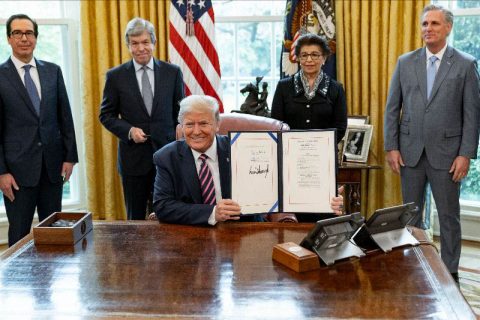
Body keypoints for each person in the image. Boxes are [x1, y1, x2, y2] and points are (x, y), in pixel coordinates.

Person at [384, 4, 480, 283]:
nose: (428, 29)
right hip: (409, 153)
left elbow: (472, 115)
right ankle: (415, 264)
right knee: (411, 216)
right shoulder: (405, 62)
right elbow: (392, 108)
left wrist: (465, 154)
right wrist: (392, 146)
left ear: (448, 28)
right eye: (425, 24)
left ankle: (450, 271)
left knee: (449, 217)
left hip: (448, 156)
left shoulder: (465, 64)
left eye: (435, 24)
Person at [152, 95, 345, 225]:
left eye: (203, 123)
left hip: (245, 230)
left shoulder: (243, 148)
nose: (196, 131)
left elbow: (280, 187)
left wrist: (322, 198)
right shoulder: (166, 157)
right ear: (181, 127)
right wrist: (212, 212)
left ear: (217, 125)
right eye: (189, 125)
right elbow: (163, 206)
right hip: (193, 236)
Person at [0, 14, 78, 246]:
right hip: (17, 173)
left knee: (53, 232)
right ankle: (15, 282)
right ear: (9, 39)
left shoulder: (52, 71)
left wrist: (70, 157)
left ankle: (50, 279)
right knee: (20, 234)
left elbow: (65, 117)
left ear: (36, 37)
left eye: (29, 33)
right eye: (18, 33)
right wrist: (1, 172)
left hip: (52, 168)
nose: (24, 38)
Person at [99, 17, 184, 220]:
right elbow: (106, 115)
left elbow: (180, 113)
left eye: (145, 42)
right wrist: (129, 131)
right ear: (128, 45)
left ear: (154, 43)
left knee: (168, 216)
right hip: (133, 160)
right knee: (135, 219)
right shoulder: (115, 76)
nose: (141, 48)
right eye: (135, 43)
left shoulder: (172, 73)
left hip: (167, 157)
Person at [271, 33, 347, 144]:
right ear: (298, 58)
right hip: (290, 152)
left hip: (324, 152)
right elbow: (276, 124)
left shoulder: (336, 89)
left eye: (315, 55)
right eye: (304, 55)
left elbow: (340, 128)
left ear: (324, 58)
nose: (309, 59)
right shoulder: (283, 87)